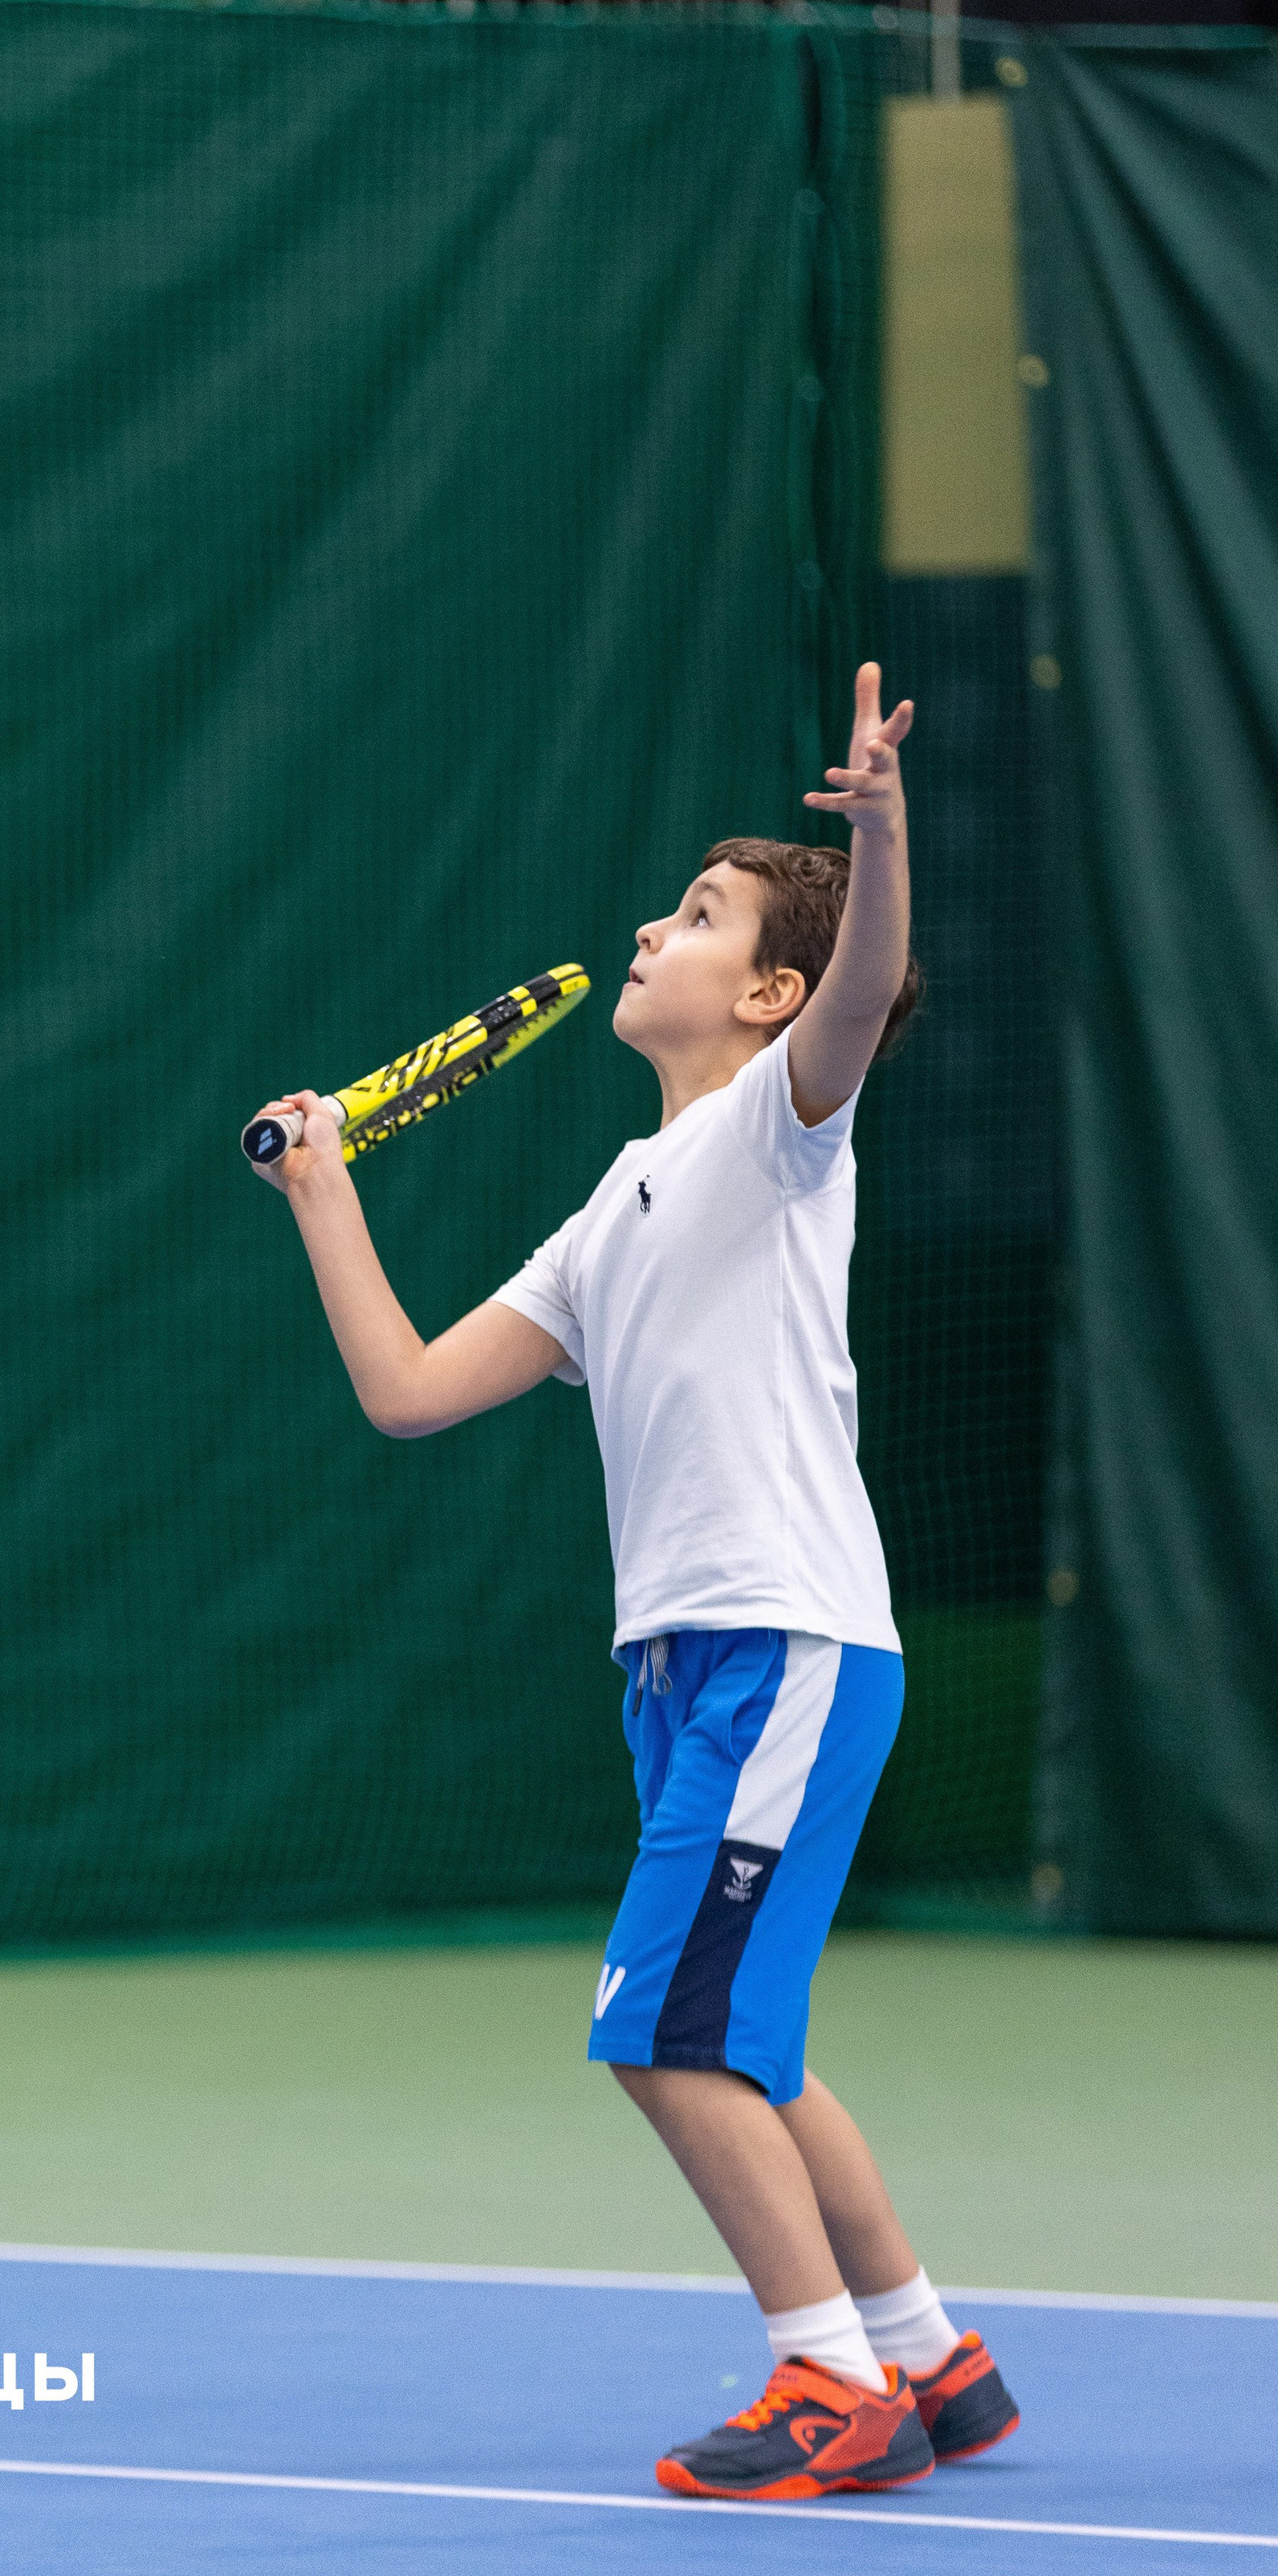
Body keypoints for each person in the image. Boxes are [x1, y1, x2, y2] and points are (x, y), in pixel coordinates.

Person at [249, 663, 1018, 2502]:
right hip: (680, 1667)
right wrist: (324, 1191)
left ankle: (822, 2382)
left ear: (761, 991)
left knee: (660, 2027)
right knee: (737, 2036)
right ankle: (929, 2353)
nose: (646, 931)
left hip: (788, 1644)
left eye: (692, 916)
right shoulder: (614, 1208)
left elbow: (854, 1001)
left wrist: (880, 838)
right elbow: (411, 1388)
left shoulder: (778, 1128)